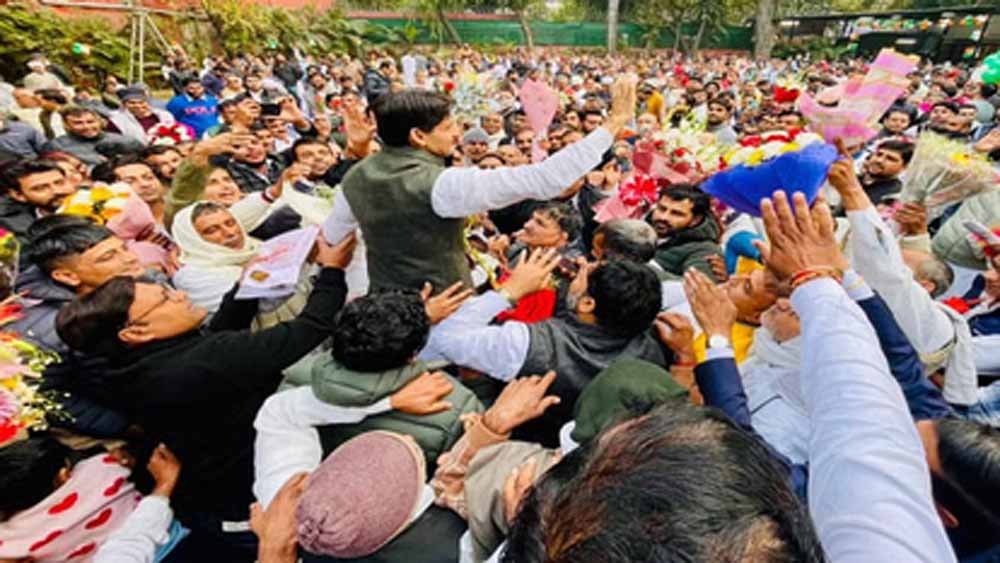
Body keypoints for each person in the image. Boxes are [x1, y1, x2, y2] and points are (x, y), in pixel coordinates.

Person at [51, 233, 357, 561]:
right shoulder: (197, 365)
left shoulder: (128, 368)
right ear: (136, 332)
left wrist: (245, 288)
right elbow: (308, 329)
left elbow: (213, 338)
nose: (180, 295)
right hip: (252, 508)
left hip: (208, 498)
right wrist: (333, 270)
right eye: (166, 299)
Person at [323, 77, 636, 292]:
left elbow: (334, 239)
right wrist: (615, 121)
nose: (458, 134)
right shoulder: (444, 185)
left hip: (384, 301)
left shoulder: (356, 175)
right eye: (449, 127)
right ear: (418, 136)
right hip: (444, 308)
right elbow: (546, 178)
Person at [422, 251, 667, 445]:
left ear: (587, 304)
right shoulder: (654, 350)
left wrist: (508, 292)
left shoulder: (529, 344)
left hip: (510, 444)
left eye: (582, 276)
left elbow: (443, 340)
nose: (576, 272)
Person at [648, 184, 723, 281]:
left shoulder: (705, 250)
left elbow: (693, 287)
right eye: (662, 209)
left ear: (695, 220)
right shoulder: (641, 227)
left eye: (676, 213)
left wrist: (640, 268)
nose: (664, 217)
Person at [0, 159, 75, 247]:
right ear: (18, 195)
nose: (57, 191)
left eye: (60, 183)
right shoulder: (14, 226)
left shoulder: (90, 199)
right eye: (40, 188)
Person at [43, 106, 144, 166]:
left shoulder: (127, 141)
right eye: (78, 123)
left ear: (100, 122)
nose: (86, 126)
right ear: (66, 125)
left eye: (90, 122)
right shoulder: (56, 147)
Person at [107, 86, 178, 145]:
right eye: (132, 103)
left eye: (141, 102)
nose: (138, 105)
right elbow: (113, 143)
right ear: (124, 104)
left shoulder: (164, 115)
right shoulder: (117, 121)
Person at [858, 138, 912, 204]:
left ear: (905, 166)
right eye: (879, 154)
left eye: (890, 159)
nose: (879, 160)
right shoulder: (853, 179)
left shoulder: (894, 195)